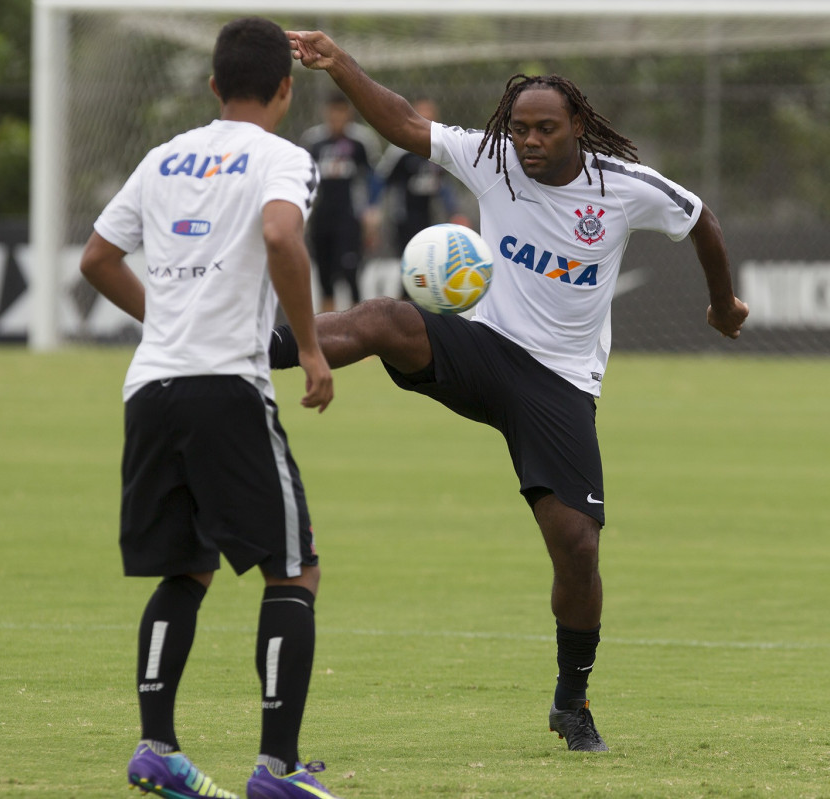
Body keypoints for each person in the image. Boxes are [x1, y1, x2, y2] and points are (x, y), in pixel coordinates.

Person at [276, 29, 749, 753]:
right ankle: (248, 345)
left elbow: (702, 222)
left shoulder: (622, 185)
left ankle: (572, 699)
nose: (528, 140)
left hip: (559, 383)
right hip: (487, 350)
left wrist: (722, 304)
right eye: (519, 127)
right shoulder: (492, 159)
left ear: (577, 128)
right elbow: (403, 123)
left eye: (544, 128)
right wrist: (339, 62)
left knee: (577, 547)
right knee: (385, 319)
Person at [78, 17, 344, 799]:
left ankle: (156, 746)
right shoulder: (284, 156)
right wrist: (312, 346)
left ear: (212, 86)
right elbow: (281, 235)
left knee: (185, 567)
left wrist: (165, 319)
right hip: (228, 384)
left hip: (150, 387)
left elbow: (97, 258)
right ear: (287, 90)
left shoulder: (162, 156)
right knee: (294, 570)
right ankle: (278, 770)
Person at [299, 93, 381, 311]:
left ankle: (359, 337)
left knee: (351, 276)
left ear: (349, 113)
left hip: (349, 219)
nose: (336, 117)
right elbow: (304, 181)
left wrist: (371, 211)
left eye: (341, 111)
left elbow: (374, 178)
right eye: (332, 112)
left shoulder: (361, 141)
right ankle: (327, 337)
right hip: (322, 218)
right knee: (325, 279)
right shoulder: (314, 141)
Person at [369, 97, 468, 261]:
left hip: (430, 216)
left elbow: (444, 184)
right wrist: (372, 212)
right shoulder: (400, 151)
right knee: (410, 262)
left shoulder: (439, 152)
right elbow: (381, 179)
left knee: (431, 263)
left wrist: (454, 212)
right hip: (404, 217)